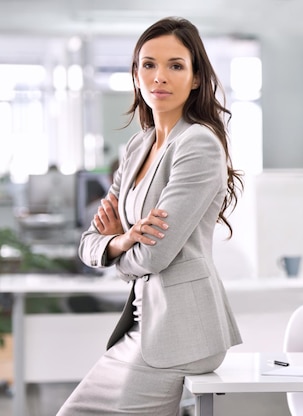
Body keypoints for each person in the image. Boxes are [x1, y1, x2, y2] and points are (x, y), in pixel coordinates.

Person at [58, 16, 243, 415]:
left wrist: (120, 253)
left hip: (181, 334)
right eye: (148, 64)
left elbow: (155, 257)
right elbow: (88, 243)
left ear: (195, 78)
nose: (159, 76)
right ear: (136, 74)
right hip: (142, 330)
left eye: (175, 65)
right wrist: (124, 239)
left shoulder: (198, 145)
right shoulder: (138, 146)